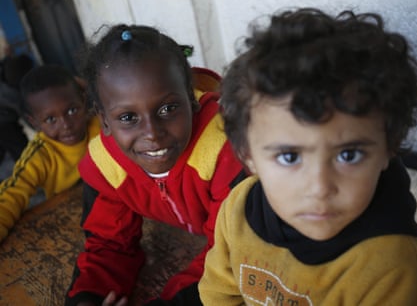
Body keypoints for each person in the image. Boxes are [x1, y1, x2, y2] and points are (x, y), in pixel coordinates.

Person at [198, 8, 417, 305]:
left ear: (388, 149)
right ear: (247, 155)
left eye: (349, 155)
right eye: (290, 157)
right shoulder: (238, 208)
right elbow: (219, 294)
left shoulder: (397, 271)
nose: (319, 187)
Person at [64, 25, 244, 306]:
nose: (152, 133)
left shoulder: (226, 147)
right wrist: (89, 297)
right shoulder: (107, 164)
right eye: (127, 117)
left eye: (168, 109)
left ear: (191, 97)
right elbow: (108, 243)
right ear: (104, 120)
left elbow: (233, 255)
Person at [0, 64, 100, 242]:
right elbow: (12, 194)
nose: (66, 125)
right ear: (35, 123)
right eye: (51, 119)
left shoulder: (101, 125)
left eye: (72, 110)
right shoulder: (40, 155)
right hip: (71, 224)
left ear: (83, 101)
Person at [0, 54, 34, 166]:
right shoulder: (13, 95)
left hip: (6, 122)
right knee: (22, 151)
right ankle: (28, 169)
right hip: (5, 125)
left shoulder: (4, 69)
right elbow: (26, 115)